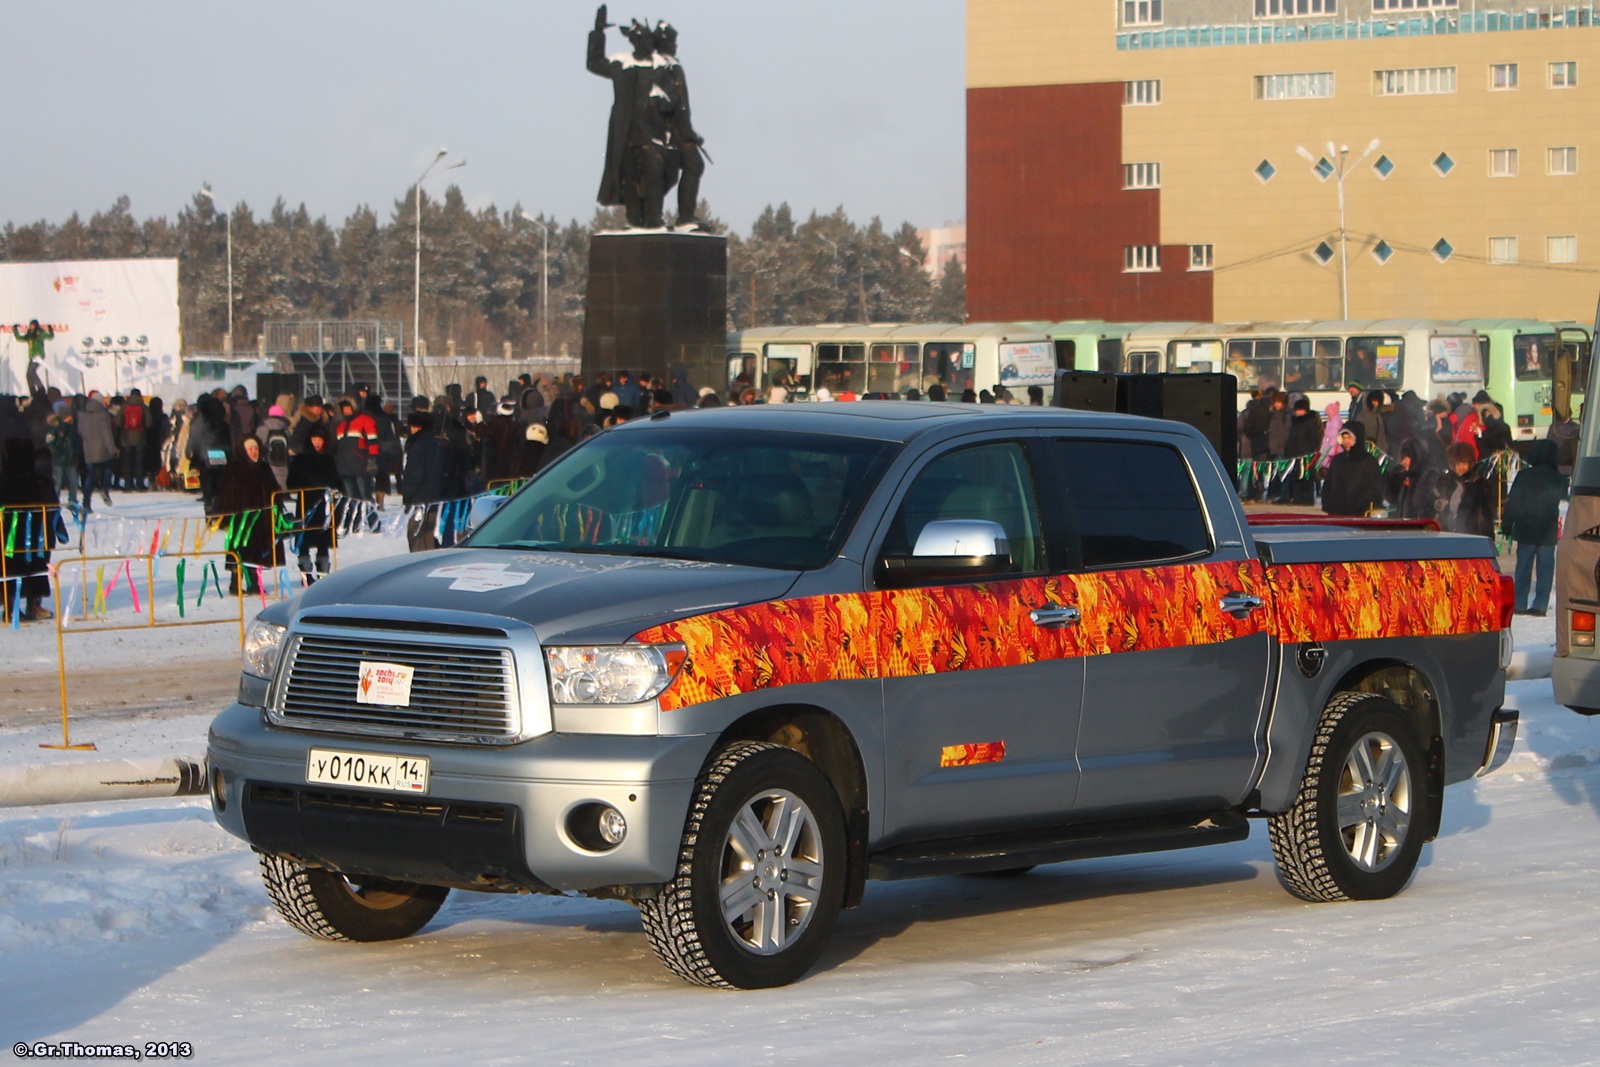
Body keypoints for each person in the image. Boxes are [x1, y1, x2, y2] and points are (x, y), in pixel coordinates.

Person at [589, 5, 677, 228]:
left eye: (647, 39)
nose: (645, 43)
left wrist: (662, 102)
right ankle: (634, 219)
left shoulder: (661, 67)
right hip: (626, 133)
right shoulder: (621, 65)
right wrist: (598, 32)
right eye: (640, 39)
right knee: (628, 177)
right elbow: (593, 62)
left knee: (655, 175)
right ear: (634, 41)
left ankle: (654, 218)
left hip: (654, 134)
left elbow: (675, 99)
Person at [1501, 439, 1568, 616]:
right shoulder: (1559, 479)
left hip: (1525, 528)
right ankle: (1540, 605)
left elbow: (1513, 502)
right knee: (1545, 570)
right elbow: (1564, 502)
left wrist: (1507, 524)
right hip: (1548, 529)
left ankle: (1520, 603)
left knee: (1523, 568)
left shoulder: (1524, 476)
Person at [652, 20, 706, 229]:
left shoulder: (656, 66)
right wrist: (689, 133)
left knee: (671, 174)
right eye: (673, 42)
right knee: (693, 165)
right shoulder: (670, 67)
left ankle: (679, 216)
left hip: (669, 129)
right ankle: (684, 217)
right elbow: (679, 104)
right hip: (672, 131)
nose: (676, 46)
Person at [0, 438, 57, 622]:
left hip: (11, 537)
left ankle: (12, 609)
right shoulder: (38, 481)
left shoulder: (5, 480)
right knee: (34, 569)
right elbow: (51, 505)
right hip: (33, 537)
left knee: (10, 570)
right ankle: (31, 606)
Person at [215, 435, 281, 595]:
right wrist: (227, 516)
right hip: (240, 520)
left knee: (256, 552)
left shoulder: (264, 468)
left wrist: (276, 504)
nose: (254, 452)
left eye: (256, 449)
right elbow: (225, 494)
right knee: (238, 550)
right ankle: (235, 584)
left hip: (260, 519)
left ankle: (254, 584)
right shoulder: (234, 468)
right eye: (250, 449)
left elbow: (275, 489)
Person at [400, 412, 465, 553]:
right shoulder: (436, 443)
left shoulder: (417, 445)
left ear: (416, 426)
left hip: (419, 497)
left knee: (415, 533)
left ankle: (419, 562)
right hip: (435, 496)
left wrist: (408, 496)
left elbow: (414, 475)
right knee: (428, 532)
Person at [285, 427, 340, 584]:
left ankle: (324, 574)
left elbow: (337, 480)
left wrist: (334, 489)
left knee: (323, 540)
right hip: (306, 504)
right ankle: (305, 575)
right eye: (314, 439)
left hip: (325, 507)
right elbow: (291, 483)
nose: (317, 443)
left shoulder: (328, 459)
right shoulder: (300, 459)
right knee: (304, 540)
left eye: (320, 439)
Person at [1321, 422, 1384, 517]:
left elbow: (1374, 488)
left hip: (1358, 514)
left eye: (1349, 438)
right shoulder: (1338, 460)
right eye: (1344, 438)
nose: (1346, 441)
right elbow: (1328, 484)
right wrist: (1327, 503)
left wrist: (1358, 504)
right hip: (1335, 513)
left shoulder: (1368, 461)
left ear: (1357, 438)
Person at [1435, 442, 1497, 537]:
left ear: (1470, 463)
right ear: (1453, 465)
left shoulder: (1479, 483)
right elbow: (1435, 503)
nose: (1461, 467)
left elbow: (1488, 512)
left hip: (1474, 533)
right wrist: (1439, 504)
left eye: (1464, 463)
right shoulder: (1445, 483)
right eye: (1458, 464)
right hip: (1448, 532)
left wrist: (1488, 536)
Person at [77, 391, 118, 508]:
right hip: (102, 448)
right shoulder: (103, 414)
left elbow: (80, 432)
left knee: (90, 476)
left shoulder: (82, 414)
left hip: (88, 448)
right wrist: (112, 449)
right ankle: (104, 489)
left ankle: (86, 502)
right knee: (108, 469)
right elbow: (106, 434)